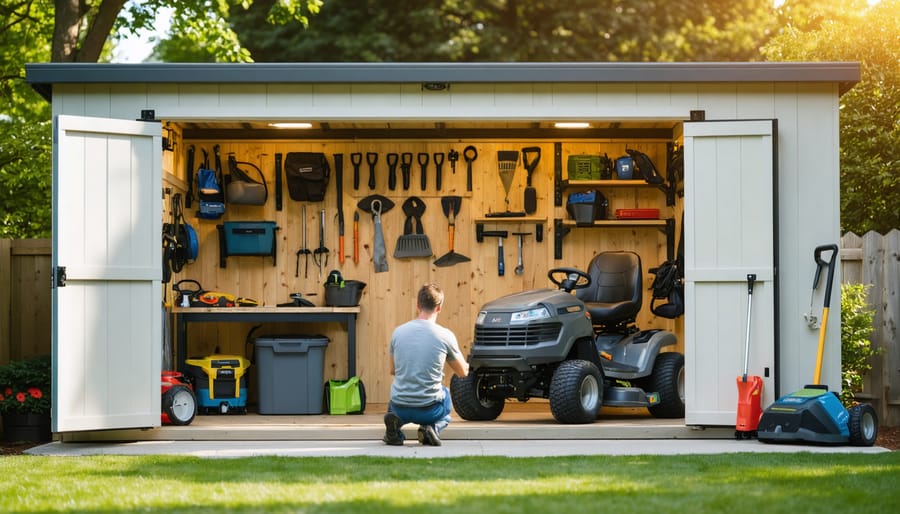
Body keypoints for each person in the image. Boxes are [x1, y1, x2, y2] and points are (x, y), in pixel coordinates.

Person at [383, 283, 468, 446]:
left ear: (417, 305)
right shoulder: (445, 335)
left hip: (400, 406)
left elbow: (393, 370)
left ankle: (393, 431)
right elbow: (463, 373)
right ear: (439, 307)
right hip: (429, 409)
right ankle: (432, 428)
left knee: (396, 393)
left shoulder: (398, 332)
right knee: (446, 394)